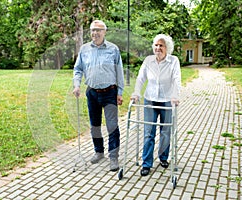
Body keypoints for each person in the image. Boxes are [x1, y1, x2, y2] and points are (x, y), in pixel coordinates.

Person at [73, 20, 125, 172]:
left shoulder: (113, 49)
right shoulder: (84, 49)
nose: (95, 33)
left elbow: (119, 72)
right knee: (94, 125)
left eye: (98, 30)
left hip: (110, 92)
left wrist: (119, 92)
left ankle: (113, 156)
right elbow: (78, 69)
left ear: (104, 32)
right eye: (92, 30)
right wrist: (76, 85)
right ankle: (99, 151)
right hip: (92, 92)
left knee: (112, 126)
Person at [131, 34, 181, 176]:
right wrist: (136, 93)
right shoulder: (148, 61)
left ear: (167, 48)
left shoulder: (173, 61)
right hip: (150, 100)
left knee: (165, 132)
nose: (158, 48)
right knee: (148, 133)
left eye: (161, 46)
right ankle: (146, 163)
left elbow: (177, 79)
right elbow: (141, 78)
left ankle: (163, 157)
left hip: (167, 100)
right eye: (156, 45)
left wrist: (176, 95)